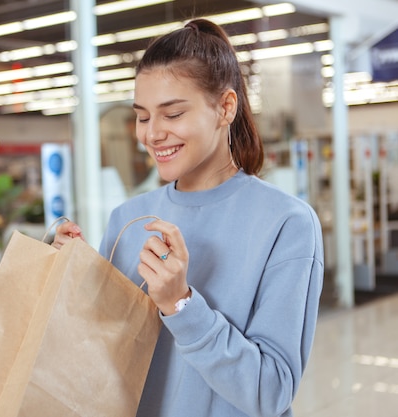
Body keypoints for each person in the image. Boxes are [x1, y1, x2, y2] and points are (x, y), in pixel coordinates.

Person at [52, 18, 324, 417]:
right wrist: (73, 278)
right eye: (143, 117)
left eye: (173, 114)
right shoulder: (127, 219)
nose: (152, 134)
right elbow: (101, 355)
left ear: (225, 108)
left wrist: (181, 304)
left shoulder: (286, 224)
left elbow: (271, 393)